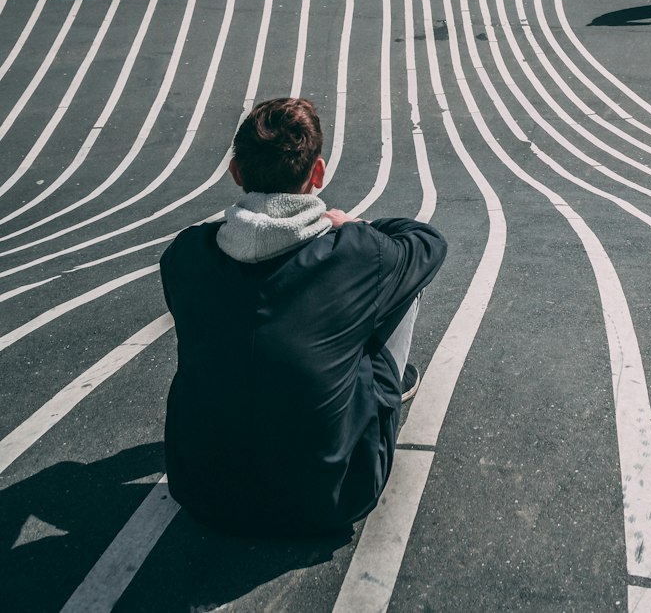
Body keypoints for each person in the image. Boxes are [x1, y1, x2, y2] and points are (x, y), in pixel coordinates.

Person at [159, 96, 447, 540]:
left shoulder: (185, 255)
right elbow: (427, 243)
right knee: (402, 278)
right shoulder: (356, 253)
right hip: (331, 497)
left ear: (237, 172)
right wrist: (354, 225)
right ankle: (390, 381)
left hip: (202, 492)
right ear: (317, 172)